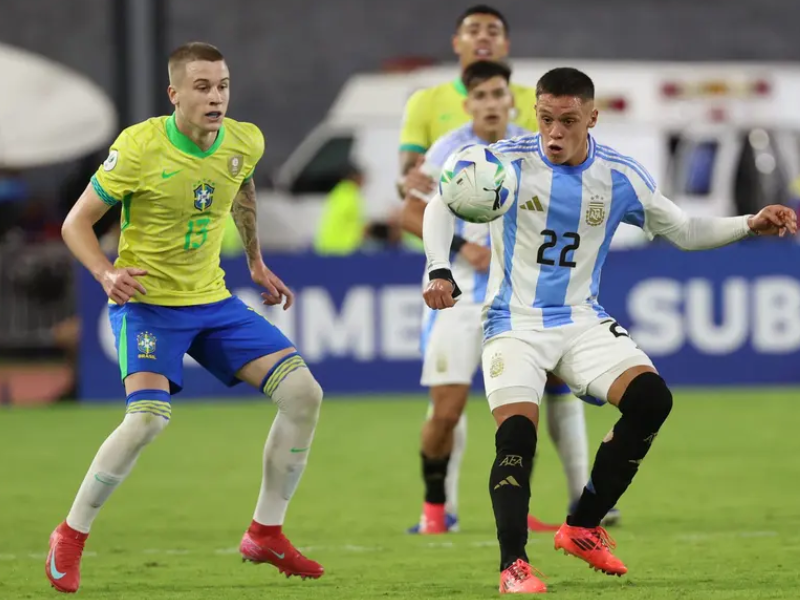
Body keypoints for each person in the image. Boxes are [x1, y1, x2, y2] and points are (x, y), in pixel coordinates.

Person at [421, 66, 796, 593]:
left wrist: (749, 222)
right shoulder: (504, 161)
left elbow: (683, 229)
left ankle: (582, 526)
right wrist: (438, 267)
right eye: (546, 118)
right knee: (516, 436)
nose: (554, 132)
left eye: (568, 121)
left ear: (592, 117)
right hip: (514, 324)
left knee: (652, 401)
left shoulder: (621, 176)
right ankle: (513, 566)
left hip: (581, 321)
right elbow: (442, 201)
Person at [46, 42, 325, 594]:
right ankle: (70, 535)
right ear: (174, 94)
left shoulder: (245, 140)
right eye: (202, 87)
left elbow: (239, 187)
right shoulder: (139, 147)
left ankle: (265, 531)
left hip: (213, 303)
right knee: (148, 420)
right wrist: (105, 274)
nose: (216, 96)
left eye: (222, 85)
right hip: (149, 305)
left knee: (304, 395)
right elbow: (75, 224)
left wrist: (255, 261)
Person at [400, 4, 599, 534]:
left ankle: (537, 502)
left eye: (499, 95)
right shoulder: (450, 149)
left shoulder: (531, 147)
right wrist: (463, 251)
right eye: (481, 95)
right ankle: (435, 510)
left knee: (531, 402)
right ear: (468, 103)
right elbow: (409, 209)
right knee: (447, 409)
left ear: (513, 102)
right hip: (462, 294)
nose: (491, 103)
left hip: (522, 295)